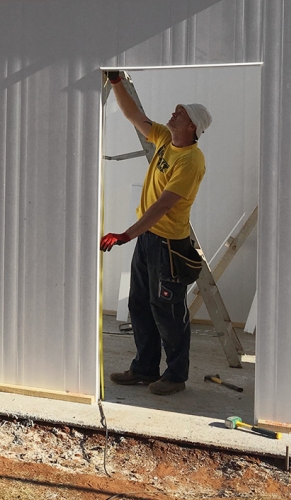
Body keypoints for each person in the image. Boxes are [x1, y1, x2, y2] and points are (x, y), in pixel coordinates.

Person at [100, 70, 212, 396]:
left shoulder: (191, 161)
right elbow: (134, 115)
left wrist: (126, 235)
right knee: (140, 305)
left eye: (180, 113)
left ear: (192, 126)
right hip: (149, 241)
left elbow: (163, 206)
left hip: (168, 245)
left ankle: (175, 376)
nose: (173, 113)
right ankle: (144, 368)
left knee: (168, 311)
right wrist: (117, 82)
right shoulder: (165, 139)